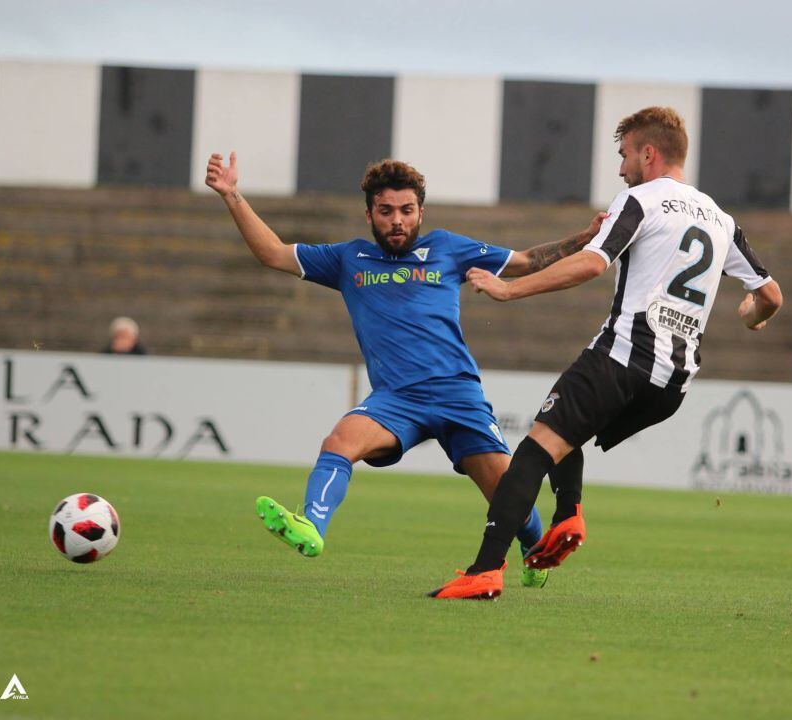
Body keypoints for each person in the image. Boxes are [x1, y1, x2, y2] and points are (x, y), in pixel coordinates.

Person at [205, 152, 605, 589]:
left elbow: (527, 261)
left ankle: (533, 548)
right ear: (370, 214)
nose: (397, 220)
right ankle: (312, 527)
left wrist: (585, 238)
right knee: (339, 441)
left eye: (406, 211)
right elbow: (273, 254)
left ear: (420, 212)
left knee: (506, 489)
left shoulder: (448, 248)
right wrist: (232, 194)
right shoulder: (347, 259)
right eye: (386, 211)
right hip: (396, 400)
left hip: (458, 396)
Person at [429, 106, 783, 599]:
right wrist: (752, 317)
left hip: (623, 357)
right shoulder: (723, 220)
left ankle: (486, 571)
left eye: (624, 156)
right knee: (564, 428)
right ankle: (568, 514)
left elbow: (592, 264)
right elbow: (770, 295)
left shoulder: (640, 200)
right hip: (671, 386)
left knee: (531, 453)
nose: (621, 169)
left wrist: (510, 290)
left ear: (649, 153)